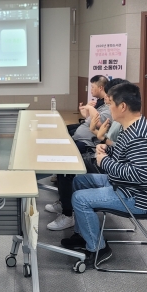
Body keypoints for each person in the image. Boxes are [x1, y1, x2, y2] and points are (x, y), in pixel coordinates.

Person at [61, 83, 147, 270]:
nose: (109, 109)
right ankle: (83, 234)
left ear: (122, 106)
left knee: (79, 198)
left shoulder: (138, 135)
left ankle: (98, 249)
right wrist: (107, 149)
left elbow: (138, 174)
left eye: (111, 105)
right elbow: (125, 155)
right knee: (79, 181)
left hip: (134, 196)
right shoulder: (131, 125)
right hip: (123, 185)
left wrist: (104, 162)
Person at [45, 77, 121, 231]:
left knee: (65, 167)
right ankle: (65, 203)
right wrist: (99, 137)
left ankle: (68, 215)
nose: (106, 99)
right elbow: (109, 142)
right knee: (64, 162)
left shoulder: (127, 124)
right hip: (101, 155)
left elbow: (119, 157)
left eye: (109, 97)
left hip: (101, 161)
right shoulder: (117, 116)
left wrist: (102, 151)